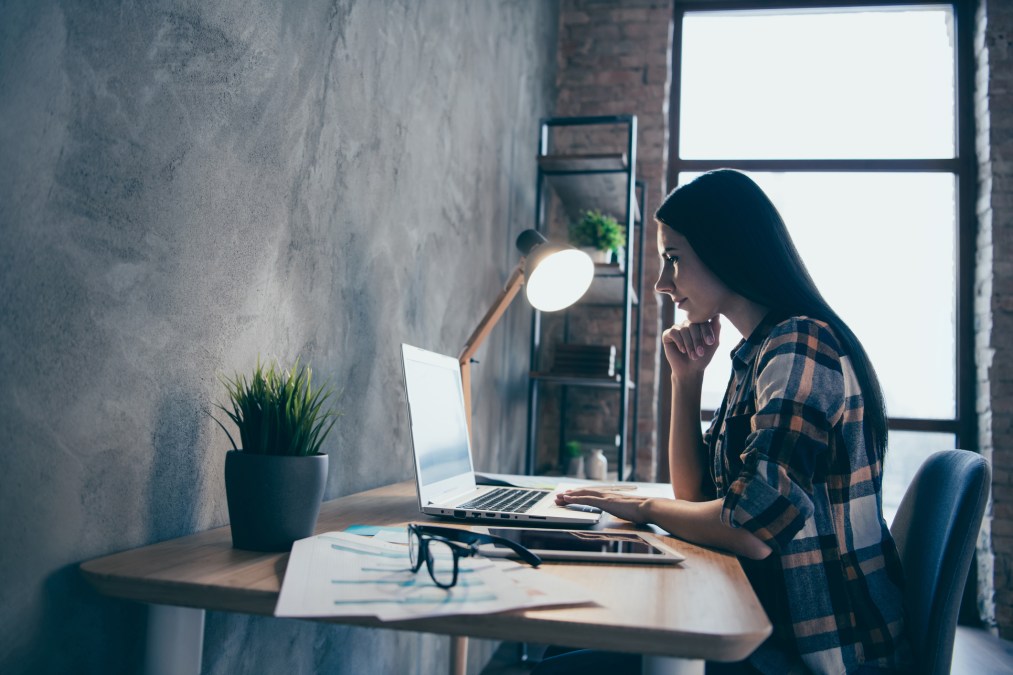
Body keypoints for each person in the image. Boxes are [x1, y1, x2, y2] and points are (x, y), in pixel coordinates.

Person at [538, 170, 910, 674]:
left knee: (560, 665)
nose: (661, 283)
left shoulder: (800, 345)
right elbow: (698, 498)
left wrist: (641, 505)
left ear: (726, 250)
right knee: (562, 647)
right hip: (777, 622)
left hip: (821, 649)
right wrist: (686, 381)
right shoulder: (756, 354)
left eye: (673, 259)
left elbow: (749, 528)